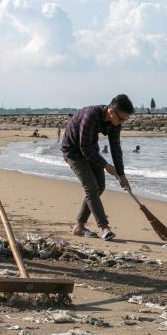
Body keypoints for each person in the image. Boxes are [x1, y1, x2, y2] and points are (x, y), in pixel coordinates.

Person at [61, 94, 133, 241]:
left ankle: (79, 226)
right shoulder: (90, 116)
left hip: (91, 150)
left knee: (100, 186)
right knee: (91, 188)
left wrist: (121, 174)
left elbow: (116, 148)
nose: (122, 123)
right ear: (112, 112)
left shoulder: (115, 123)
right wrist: (105, 165)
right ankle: (105, 228)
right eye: (122, 119)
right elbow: (84, 147)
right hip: (73, 151)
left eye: (125, 120)